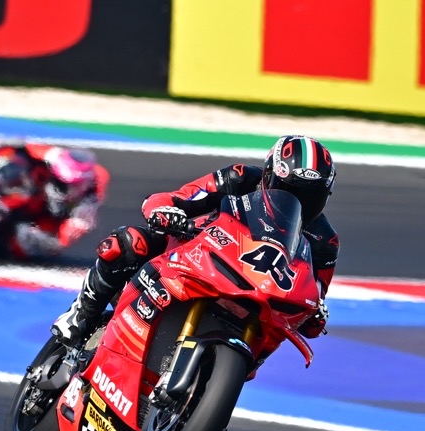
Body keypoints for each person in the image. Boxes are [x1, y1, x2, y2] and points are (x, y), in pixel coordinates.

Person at [51, 134, 337, 344]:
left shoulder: (324, 242)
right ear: (268, 177)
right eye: (287, 190)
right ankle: (81, 314)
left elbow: (313, 300)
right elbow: (178, 197)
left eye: (310, 196)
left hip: (255, 296)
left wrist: (315, 314)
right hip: (198, 254)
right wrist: (165, 212)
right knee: (128, 243)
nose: (297, 202)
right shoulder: (238, 178)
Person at [0, 134, 109, 260]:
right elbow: (26, 144)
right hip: (36, 194)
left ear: (81, 185)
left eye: (64, 184)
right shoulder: (55, 157)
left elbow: (62, 241)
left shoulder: (87, 204)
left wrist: (40, 238)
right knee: (12, 164)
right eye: (57, 181)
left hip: (51, 218)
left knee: (22, 246)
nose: (59, 186)